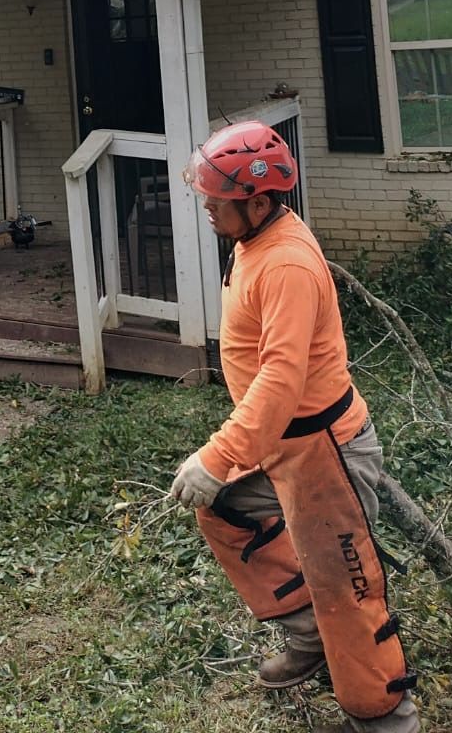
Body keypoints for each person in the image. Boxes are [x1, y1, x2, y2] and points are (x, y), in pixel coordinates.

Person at [169, 121, 419, 733]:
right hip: (281, 445)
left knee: (347, 592)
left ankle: (388, 719)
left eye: (216, 199)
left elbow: (281, 382)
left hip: (324, 454)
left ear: (257, 202)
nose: (206, 206)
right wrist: (226, 463)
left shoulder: (286, 264)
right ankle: (310, 637)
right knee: (224, 509)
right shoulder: (256, 239)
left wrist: (217, 454)